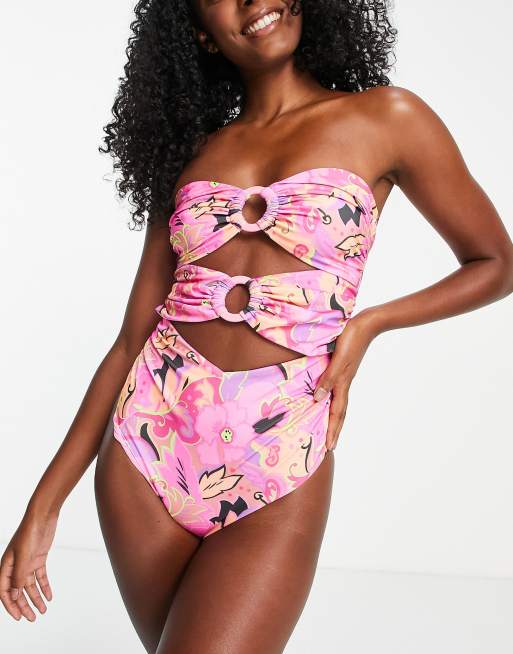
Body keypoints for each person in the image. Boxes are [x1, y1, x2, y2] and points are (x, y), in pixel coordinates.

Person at [2, 1, 512, 652]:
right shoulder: (191, 153)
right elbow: (131, 341)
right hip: (145, 449)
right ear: (198, 30)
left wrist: (370, 324)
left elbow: (495, 263)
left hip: (281, 454)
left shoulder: (388, 117)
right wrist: (43, 508)